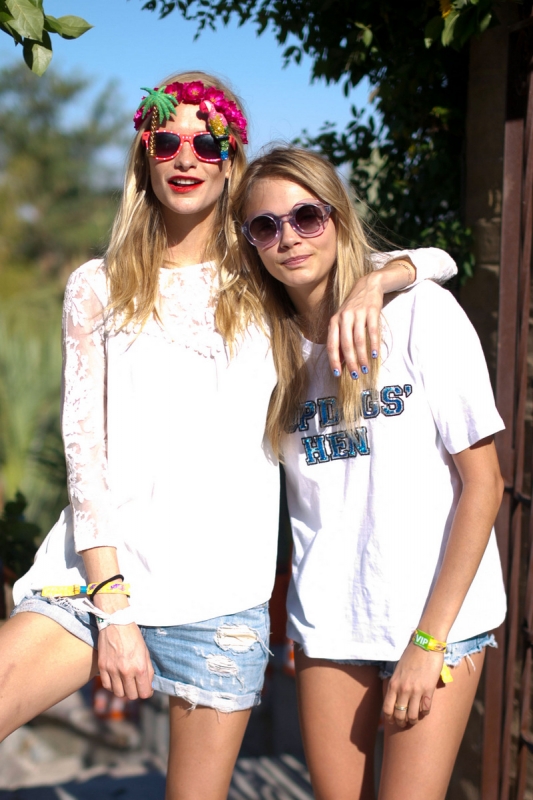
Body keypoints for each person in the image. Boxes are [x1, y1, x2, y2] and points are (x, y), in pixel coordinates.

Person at [1, 74, 456, 799]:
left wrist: (376, 282)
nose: (186, 157)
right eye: (167, 142)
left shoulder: (264, 271)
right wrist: (112, 606)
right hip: (94, 579)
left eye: (207, 143)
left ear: (229, 159)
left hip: (220, 601)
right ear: (145, 156)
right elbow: (84, 456)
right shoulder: (97, 285)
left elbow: (438, 261)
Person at [229, 145, 506, 800]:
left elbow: (485, 484)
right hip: (329, 623)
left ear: (337, 216)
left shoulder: (418, 314)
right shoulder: (261, 349)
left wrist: (428, 641)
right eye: (265, 226)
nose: (288, 238)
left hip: (436, 621)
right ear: (251, 243)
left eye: (306, 216)